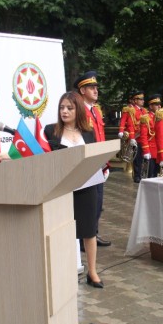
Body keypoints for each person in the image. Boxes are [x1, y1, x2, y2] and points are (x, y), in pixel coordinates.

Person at [44, 91, 103, 288]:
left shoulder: (88, 132)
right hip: (63, 190)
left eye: (69, 108)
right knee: (64, 231)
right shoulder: (51, 131)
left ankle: (92, 271)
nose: (65, 111)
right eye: (62, 107)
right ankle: (65, 273)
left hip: (87, 187)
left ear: (78, 110)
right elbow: (41, 156)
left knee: (89, 231)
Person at [74, 71, 112, 248]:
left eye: (96, 87)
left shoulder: (96, 110)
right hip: (87, 163)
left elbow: (101, 137)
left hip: (99, 162)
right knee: (87, 204)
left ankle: (93, 234)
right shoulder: (79, 110)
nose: (96, 90)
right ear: (82, 90)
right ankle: (84, 238)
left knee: (98, 202)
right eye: (91, 87)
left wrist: (106, 163)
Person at [118, 91, 146, 182]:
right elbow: (126, 123)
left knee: (143, 156)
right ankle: (137, 176)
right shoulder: (129, 109)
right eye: (140, 99)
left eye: (143, 99)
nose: (142, 101)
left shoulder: (144, 111)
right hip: (135, 136)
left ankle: (142, 174)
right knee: (136, 157)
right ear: (135, 100)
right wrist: (122, 131)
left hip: (143, 136)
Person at [139, 94, 161, 178]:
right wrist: (146, 151)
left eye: (159, 104)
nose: (159, 106)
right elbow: (143, 136)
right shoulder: (146, 118)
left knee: (158, 174)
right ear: (151, 106)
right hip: (151, 151)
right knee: (150, 175)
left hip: (160, 150)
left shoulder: (161, 117)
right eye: (156, 104)